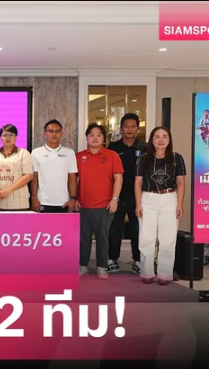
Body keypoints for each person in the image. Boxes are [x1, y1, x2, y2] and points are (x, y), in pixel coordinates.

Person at [135, 126, 186, 285]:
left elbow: (181, 182)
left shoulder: (177, 158)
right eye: (157, 136)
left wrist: (179, 204)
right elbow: (138, 182)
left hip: (169, 199)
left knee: (168, 238)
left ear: (169, 140)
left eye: (164, 136)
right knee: (146, 237)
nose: (161, 140)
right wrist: (138, 204)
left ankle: (165, 274)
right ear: (151, 140)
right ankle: (147, 272)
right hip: (148, 199)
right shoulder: (143, 159)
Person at [76, 124, 123, 280]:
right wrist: (74, 198)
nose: (95, 138)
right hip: (83, 205)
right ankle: (83, 265)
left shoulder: (112, 155)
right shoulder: (78, 156)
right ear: (87, 138)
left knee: (103, 238)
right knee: (83, 238)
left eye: (98, 135)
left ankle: (102, 266)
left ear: (104, 138)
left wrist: (115, 199)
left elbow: (118, 178)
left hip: (104, 205)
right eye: (91, 135)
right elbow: (73, 180)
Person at [107, 113, 147, 274]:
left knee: (137, 229)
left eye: (133, 126)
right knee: (114, 229)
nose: (129, 129)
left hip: (138, 197)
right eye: (126, 126)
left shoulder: (145, 148)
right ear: (121, 128)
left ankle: (138, 260)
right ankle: (112, 259)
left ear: (137, 128)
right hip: (116, 196)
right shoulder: (113, 148)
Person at [30, 119, 77, 213]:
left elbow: (72, 177)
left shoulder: (69, 153)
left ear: (62, 133)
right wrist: (34, 197)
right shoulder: (36, 152)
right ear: (45, 133)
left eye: (57, 131)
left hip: (64, 202)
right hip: (42, 201)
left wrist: (72, 198)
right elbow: (34, 177)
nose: (54, 134)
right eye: (50, 131)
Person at [0, 124, 33, 211]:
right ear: (0, 137)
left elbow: (28, 175)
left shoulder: (24, 153)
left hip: (18, 203)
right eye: (4, 135)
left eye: (11, 135)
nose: (8, 138)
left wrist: (8, 190)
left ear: (16, 137)